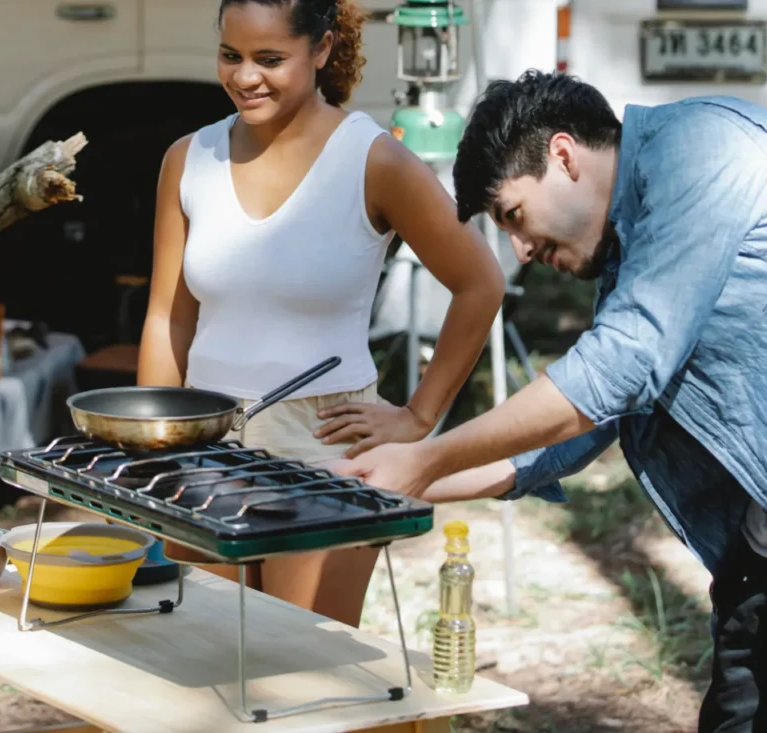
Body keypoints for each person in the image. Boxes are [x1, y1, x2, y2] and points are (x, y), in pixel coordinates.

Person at [336, 69, 767, 729]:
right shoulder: (639, 242)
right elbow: (568, 435)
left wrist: (427, 458)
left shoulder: (704, 152)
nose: (520, 248)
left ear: (563, 155)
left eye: (514, 216)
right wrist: (392, 481)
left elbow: (619, 367)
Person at [136, 0, 504, 627]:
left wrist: (419, 415)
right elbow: (168, 316)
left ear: (323, 50)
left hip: (323, 445)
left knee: (305, 672)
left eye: (269, 59)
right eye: (231, 55)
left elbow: (479, 283)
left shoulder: (372, 159)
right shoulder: (188, 159)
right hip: (204, 441)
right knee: (207, 659)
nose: (244, 77)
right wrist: (152, 447)